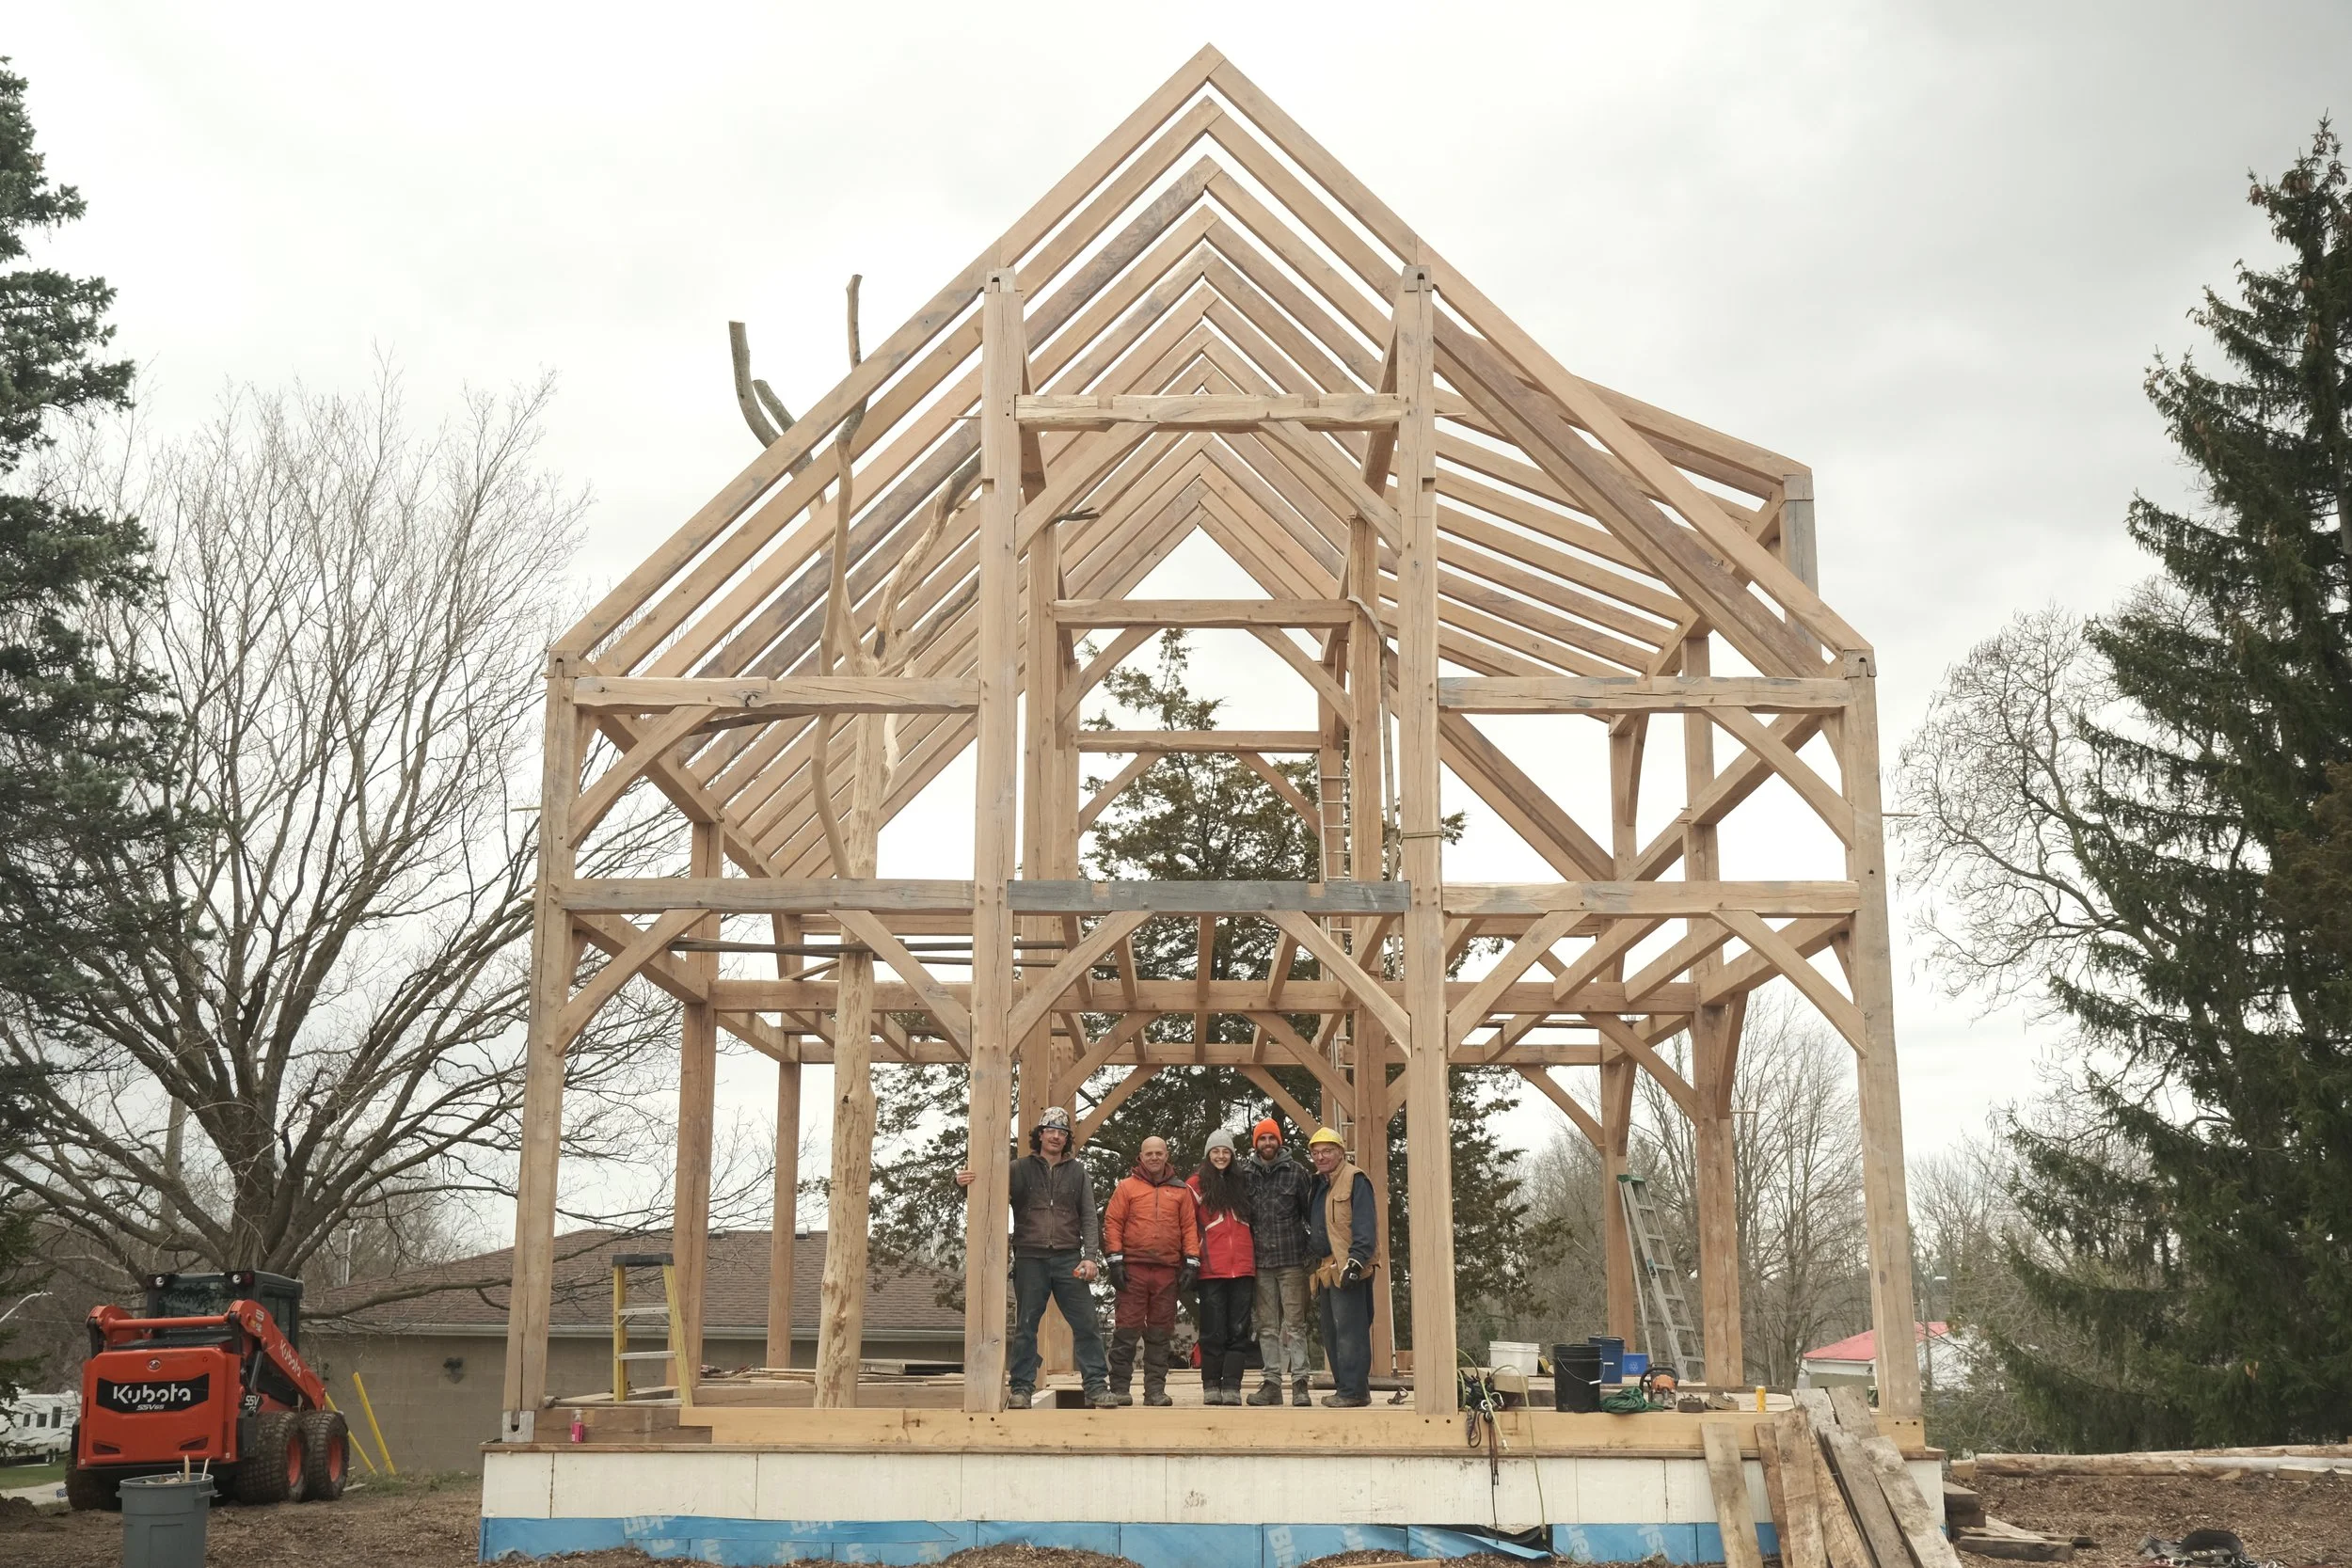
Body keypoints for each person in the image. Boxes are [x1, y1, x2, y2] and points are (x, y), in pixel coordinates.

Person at [955, 1105, 1115, 1408]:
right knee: (1026, 1326)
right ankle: (1021, 1389)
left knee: (1087, 1324)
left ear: (1067, 1139)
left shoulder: (1078, 1172)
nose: (1056, 1137)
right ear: (1040, 1135)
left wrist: (1090, 1257)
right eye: (1051, 1131)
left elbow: (1089, 1218)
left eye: (1062, 1132)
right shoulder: (1018, 1169)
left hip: (1070, 1258)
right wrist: (963, 1185)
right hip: (1030, 1258)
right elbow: (988, 1194)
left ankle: (1095, 1387)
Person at [1101, 1135, 1200, 1407]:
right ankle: (1120, 1387)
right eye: (1149, 1154)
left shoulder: (1180, 1192)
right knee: (1127, 1330)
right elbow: (1113, 1222)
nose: (1154, 1158)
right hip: (1133, 1268)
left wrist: (1192, 1261)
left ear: (1167, 1155)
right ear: (1140, 1157)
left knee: (1160, 1333)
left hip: (1167, 1271)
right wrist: (1115, 1261)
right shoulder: (1126, 1188)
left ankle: (1155, 1391)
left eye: (1159, 1153)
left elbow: (1189, 1228)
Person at [1240, 1117, 1315, 1407]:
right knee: (1266, 1327)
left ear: (1279, 1141)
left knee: (1294, 1325)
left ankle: (1300, 1384)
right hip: (1260, 1263)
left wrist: (1312, 1252)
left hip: (1292, 1261)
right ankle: (1272, 1383)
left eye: (1272, 1138)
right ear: (1255, 1143)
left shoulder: (1296, 1173)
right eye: (1262, 1138)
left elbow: (1311, 1216)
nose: (1267, 1143)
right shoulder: (1246, 1174)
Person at [1305, 1125, 1380, 1408]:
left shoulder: (1355, 1179)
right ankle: (1345, 1388)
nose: (1321, 1157)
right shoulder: (1320, 1183)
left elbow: (1364, 1224)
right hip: (1325, 1268)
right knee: (1332, 1331)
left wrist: (1356, 1262)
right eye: (1316, 1152)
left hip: (1348, 1265)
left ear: (1340, 1152)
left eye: (1327, 1151)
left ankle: (1354, 1392)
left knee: (1351, 1331)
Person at [1185, 1130, 1256, 1405]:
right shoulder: (1196, 1184)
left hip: (1243, 1266)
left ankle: (1233, 1385)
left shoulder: (1243, 1183)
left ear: (1233, 1155)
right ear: (1207, 1154)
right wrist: (1190, 1258)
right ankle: (1211, 1384)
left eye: (1226, 1151)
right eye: (1215, 1151)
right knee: (1213, 1330)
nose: (1221, 1156)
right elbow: (1187, 1224)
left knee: (1239, 1330)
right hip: (1211, 1267)